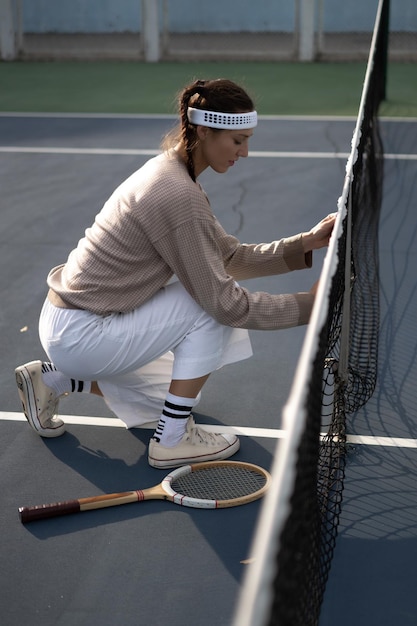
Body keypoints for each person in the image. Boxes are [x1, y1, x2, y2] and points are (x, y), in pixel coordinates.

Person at [15, 78, 335, 469]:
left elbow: (227, 256)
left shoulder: (171, 171)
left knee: (168, 396)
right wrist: (311, 307)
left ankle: (53, 380)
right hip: (84, 332)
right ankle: (172, 439)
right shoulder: (177, 195)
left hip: (74, 322)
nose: (245, 152)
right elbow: (226, 305)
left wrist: (306, 243)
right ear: (204, 131)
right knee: (209, 305)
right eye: (237, 141)